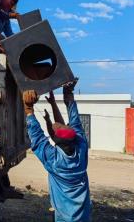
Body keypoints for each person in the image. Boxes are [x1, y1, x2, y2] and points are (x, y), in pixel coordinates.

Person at [22, 80, 91, 222]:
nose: (57, 124)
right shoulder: (81, 148)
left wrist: (28, 109)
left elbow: (37, 137)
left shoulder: (55, 161)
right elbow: (74, 121)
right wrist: (67, 95)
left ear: (55, 142)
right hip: (83, 217)